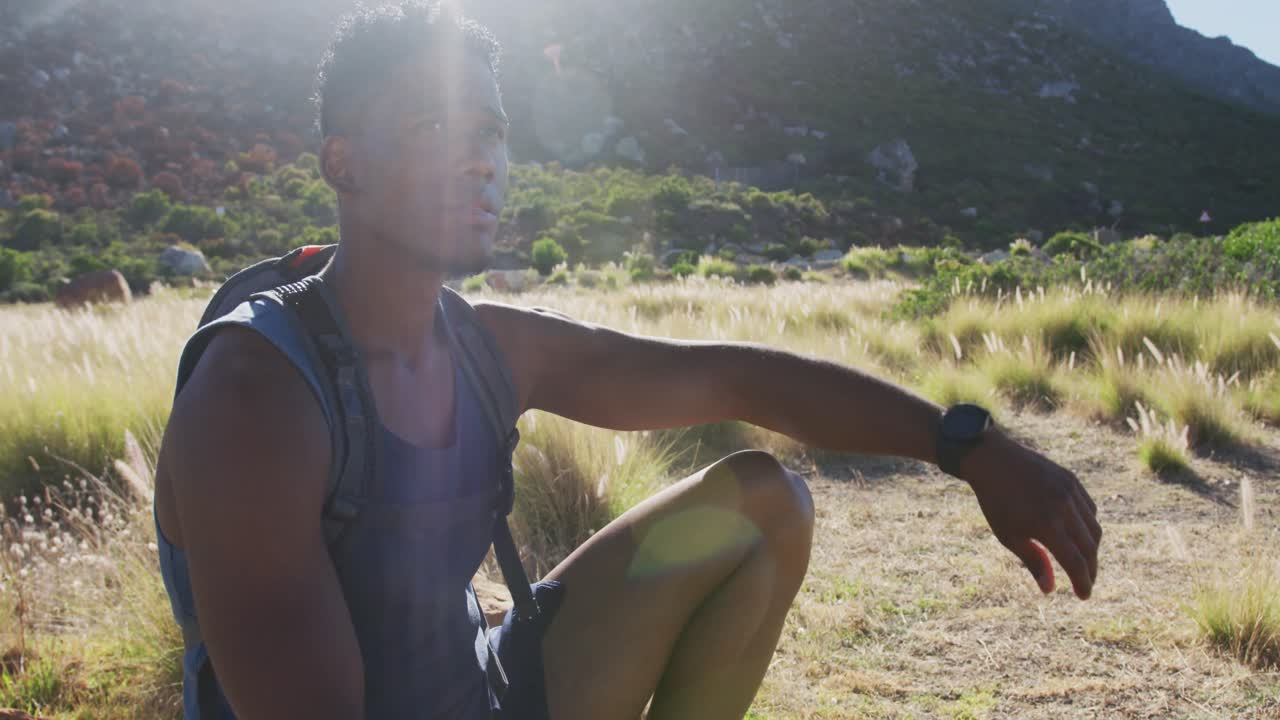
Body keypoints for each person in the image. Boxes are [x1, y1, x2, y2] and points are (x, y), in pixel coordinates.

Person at [152, 3, 1102, 718]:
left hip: (487, 685)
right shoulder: (255, 401)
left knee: (766, 502)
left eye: (490, 133)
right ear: (343, 164)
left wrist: (967, 447)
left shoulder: (488, 346)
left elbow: (731, 378)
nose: (482, 161)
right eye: (435, 130)